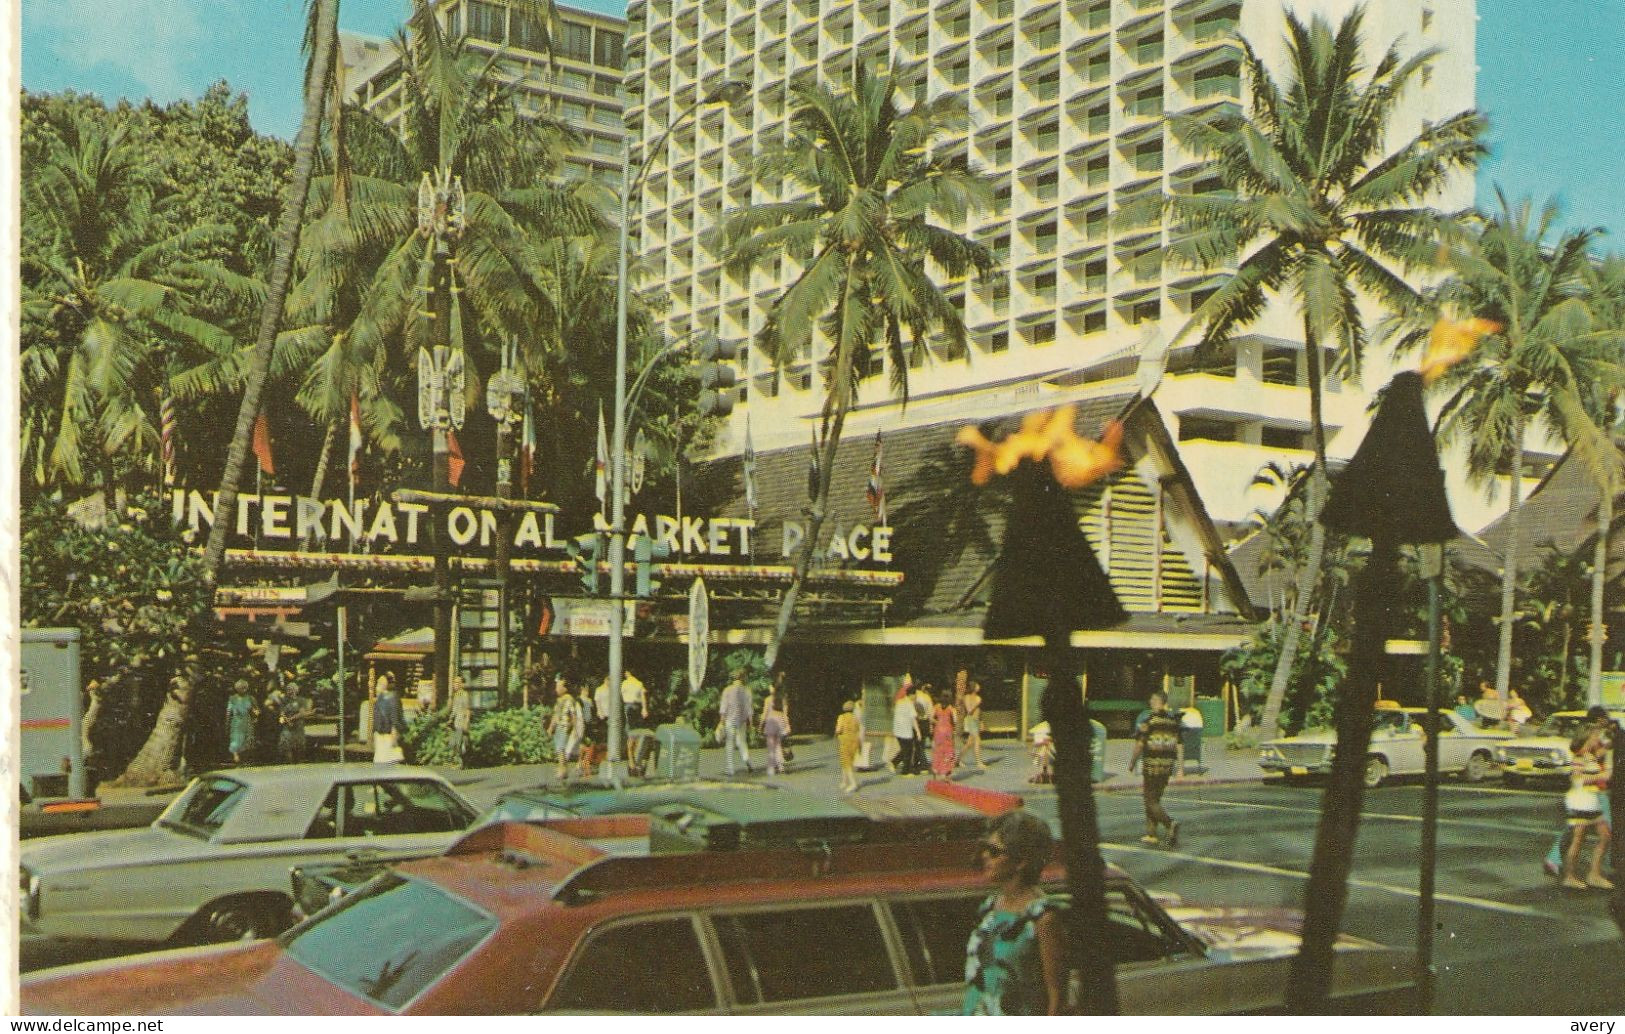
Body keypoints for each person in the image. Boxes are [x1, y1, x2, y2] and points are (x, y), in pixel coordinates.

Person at [962, 810, 1067, 1016]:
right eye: (985, 849)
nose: (985, 856)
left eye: (994, 852)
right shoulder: (989, 908)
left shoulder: (1043, 918)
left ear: (1021, 861)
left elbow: (1057, 997)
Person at [1546, 707, 1616, 878]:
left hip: (1594, 792)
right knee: (1587, 831)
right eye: (1603, 720)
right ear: (1599, 720)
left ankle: (1557, 861)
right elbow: (1581, 773)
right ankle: (1563, 865)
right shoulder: (1591, 740)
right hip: (1591, 793)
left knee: (1580, 831)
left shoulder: (1597, 739)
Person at [1560, 727, 1614, 890]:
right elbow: (1577, 780)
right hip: (1580, 800)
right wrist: (1599, 777)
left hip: (1590, 800)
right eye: (1594, 737)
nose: (1596, 740)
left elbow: (1606, 750)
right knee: (1578, 839)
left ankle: (1594, 874)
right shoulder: (1578, 757)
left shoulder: (1590, 756)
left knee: (1605, 836)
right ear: (1586, 739)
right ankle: (1569, 876)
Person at [1128, 690, 1183, 847]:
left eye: (1153, 699)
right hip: (1167, 766)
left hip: (1152, 765)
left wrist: (1132, 762)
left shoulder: (1149, 721)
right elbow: (1179, 744)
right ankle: (1151, 833)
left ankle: (1170, 823)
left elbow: (1139, 744)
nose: (1151, 702)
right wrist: (1180, 768)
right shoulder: (1173, 721)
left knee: (1149, 799)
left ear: (1158, 702)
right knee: (1154, 799)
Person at [719, 666, 754, 775]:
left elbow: (723, 707)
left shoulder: (727, 690)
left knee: (730, 743)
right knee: (742, 742)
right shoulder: (747, 691)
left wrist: (721, 721)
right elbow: (749, 708)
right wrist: (750, 722)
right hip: (742, 720)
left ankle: (730, 768)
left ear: (733, 678)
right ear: (743, 678)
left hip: (730, 720)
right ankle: (747, 760)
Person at [548, 677, 583, 783]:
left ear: (565, 688)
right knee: (559, 749)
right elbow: (555, 715)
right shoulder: (559, 700)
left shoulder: (569, 699)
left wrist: (574, 728)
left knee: (561, 749)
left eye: (559, 687)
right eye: (556, 687)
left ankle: (562, 771)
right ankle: (563, 769)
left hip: (564, 727)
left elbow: (573, 715)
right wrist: (551, 727)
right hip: (559, 727)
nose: (557, 689)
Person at [276, 681, 314, 765]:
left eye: (291, 689)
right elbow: (281, 712)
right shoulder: (284, 701)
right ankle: (289, 762)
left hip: (298, 725)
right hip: (287, 725)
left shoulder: (301, 700)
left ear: (296, 690)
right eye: (288, 689)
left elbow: (302, 713)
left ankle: (299, 762)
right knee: (285, 743)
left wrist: (291, 719)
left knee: (299, 745)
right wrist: (286, 719)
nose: (289, 691)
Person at [372, 673, 404, 764]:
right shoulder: (380, 700)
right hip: (380, 737)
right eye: (378, 683)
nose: (377, 687)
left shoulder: (393, 699)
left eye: (380, 684)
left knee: (388, 765)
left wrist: (393, 739)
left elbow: (395, 720)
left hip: (388, 737)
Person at [225, 681, 257, 765]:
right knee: (235, 739)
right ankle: (236, 757)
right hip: (236, 721)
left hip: (247, 721)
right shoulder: (232, 698)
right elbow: (228, 711)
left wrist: (255, 715)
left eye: (244, 688)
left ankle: (245, 759)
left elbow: (256, 710)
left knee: (247, 740)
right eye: (240, 688)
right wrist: (227, 722)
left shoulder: (250, 698)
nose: (243, 690)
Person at [892, 683, 921, 775]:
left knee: (905, 749)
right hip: (906, 730)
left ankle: (894, 762)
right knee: (908, 750)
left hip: (898, 730)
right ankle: (905, 771)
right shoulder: (909, 704)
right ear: (911, 695)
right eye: (915, 694)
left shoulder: (899, 702)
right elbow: (913, 720)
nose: (916, 696)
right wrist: (918, 731)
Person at [835, 699, 862, 794]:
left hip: (844, 741)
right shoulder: (855, 718)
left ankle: (853, 783)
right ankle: (844, 781)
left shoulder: (841, 717)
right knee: (847, 761)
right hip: (854, 741)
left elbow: (838, 730)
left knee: (847, 763)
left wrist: (836, 734)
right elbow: (858, 730)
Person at [761, 693, 790, 775]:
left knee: (771, 746)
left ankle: (772, 767)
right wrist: (787, 725)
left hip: (770, 724)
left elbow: (764, 714)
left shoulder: (768, 699)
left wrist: (760, 725)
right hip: (780, 723)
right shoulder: (783, 699)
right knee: (778, 745)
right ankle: (781, 766)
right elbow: (785, 714)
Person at [961, 680, 987, 770]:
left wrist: (981, 722)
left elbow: (979, 712)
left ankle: (957, 760)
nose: (979, 687)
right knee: (977, 740)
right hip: (970, 720)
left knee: (969, 743)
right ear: (973, 687)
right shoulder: (967, 697)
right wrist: (977, 703)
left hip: (976, 720)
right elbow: (969, 710)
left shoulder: (978, 697)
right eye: (977, 685)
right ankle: (979, 762)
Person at [448, 676, 472, 767]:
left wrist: (467, 721)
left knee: (460, 742)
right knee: (454, 743)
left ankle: (462, 763)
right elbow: (454, 710)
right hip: (455, 722)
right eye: (455, 682)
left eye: (458, 683)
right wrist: (450, 719)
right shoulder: (456, 695)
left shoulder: (464, 694)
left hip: (461, 722)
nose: (456, 684)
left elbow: (467, 709)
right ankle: (458, 761)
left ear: (462, 684)